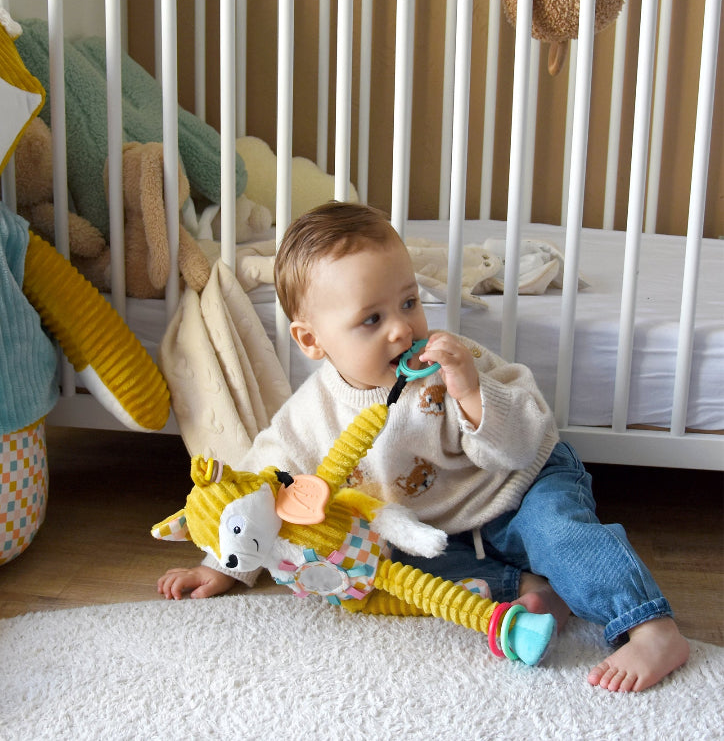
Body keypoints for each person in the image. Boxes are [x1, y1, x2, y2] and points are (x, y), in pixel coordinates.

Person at [158, 201, 689, 692]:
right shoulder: (309, 414)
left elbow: (524, 438)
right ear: (311, 340)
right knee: (378, 574)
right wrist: (222, 565)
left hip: (522, 485)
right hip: (446, 528)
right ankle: (536, 587)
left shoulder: (453, 363)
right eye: (372, 319)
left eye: (409, 302)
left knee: (560, 534)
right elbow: (258, 489)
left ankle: (650, 626)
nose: (401, 328)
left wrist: (472, 393)